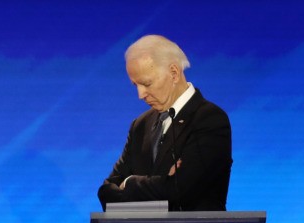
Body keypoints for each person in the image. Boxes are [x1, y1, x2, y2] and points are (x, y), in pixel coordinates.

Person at [97, 35, 232, 211]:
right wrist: (162, 185)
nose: (140, 94)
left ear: (174, 73)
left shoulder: (209, 119)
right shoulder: (140, 125)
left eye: (147, 83)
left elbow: (180, 191)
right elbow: (106, 192)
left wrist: (130, 182)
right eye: (135, 85)